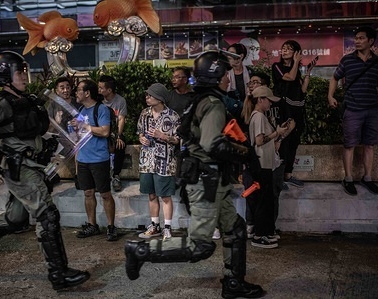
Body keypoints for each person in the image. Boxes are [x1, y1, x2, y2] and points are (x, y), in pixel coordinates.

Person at [124, 51, 264, 299]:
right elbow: (213, 144)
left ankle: (234, 283)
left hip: (212, 180)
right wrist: (244, 153)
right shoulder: (212, 103)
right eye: (224, 75)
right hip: (206, 181)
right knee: (199, 245)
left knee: (235, 229)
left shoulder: (197, 100)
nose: (228, 79)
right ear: (216, 77)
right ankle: (141, 250)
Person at [0, 51, 90, 290]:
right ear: (6, 76)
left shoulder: (28, 100)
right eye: (19, 72)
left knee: (16, 219)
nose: (24, 76)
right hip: (19, 167)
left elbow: (33, 130)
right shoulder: (1, 104)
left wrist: (46, 143)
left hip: (34, 165)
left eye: (24, 71)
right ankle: (58, 274)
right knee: (47, 214)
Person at [328, 26, 378, 196]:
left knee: (369, 145)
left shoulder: (376, 61)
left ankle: (367, 178)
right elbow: (334, 78)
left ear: (371, 41)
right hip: (352, 109)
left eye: (361, 38)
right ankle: (348, 178)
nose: (357, 41)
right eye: (356, 38)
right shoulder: (347, 60)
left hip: (372, 109)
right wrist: (330, 96)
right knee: (349, 145)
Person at [243, 86, 288, 248]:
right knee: (263, 201)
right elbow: (260, 140)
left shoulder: (257, 116)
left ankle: (264, 233)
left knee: (265, 200)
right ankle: (260, 236)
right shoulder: (259, 117)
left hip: (264, 164)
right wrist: (277, 133)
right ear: (260, 100)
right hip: (262, 165)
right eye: (268, 100)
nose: (270, 103)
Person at [75, 79, 118, 241]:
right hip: (84, 158)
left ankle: (111, 226)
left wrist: (85, 127)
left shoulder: (102, 110)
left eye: (79, 90)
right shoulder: (80, 110)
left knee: (105, 194)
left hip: (99, 158)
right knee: (88, 193)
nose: (76, 93)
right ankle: (92, 225)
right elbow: (79, 135)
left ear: (87, 93)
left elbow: (105, 131)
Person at [137, 83, 180, 241]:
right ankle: (155, 225)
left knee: (165, 196)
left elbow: (178, 140)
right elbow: (139, 132)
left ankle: (167, 228)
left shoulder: (173, 116)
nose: (147, 97)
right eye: (147, 95)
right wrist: (141, 138)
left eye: (150, 95)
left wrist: (163, 136)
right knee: (151, 194)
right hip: (147, 161)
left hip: (165, 162)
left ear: (160, 98)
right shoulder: (144, 113)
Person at [272, 40, 313, 189]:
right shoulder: (277, 67)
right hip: (283, 109)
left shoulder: (297, 70)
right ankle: (279, 177)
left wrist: (307, 73)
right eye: (283, 48)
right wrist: (296, 62)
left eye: (289, 49)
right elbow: (289, 77)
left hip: (297, 109)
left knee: (294, 142)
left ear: (296, 52)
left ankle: (288, 174)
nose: (285, 51)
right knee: (283, 142)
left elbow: (302, 90)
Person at [98, 75, 128, 192]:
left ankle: (116, 175)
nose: (99, 90)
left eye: (101, 88)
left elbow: (121, 119)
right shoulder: (99, 101)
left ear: (109, 90)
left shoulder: (120, 101)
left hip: (114, 132)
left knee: (120, 144)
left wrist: (119, 136)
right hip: (100, 131)